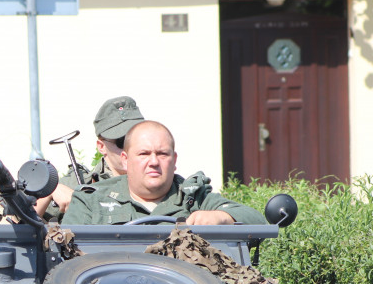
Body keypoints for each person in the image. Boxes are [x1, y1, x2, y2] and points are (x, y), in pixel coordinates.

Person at [63, 120, 265, 225]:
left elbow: (257, 221)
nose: (153, 162)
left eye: (162, 154)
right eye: (143, 154)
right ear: (125, 160)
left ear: (174, 160)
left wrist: (221, 217)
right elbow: (67, 258)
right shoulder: (90, 200)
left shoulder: (194, 198)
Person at [36, 96, 145, 218]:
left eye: (137, 139)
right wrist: (50, 192)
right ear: (101, 146)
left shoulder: (162, 181)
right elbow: (14, 226)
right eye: (121, 141)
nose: (130, 148)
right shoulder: (77, 185)